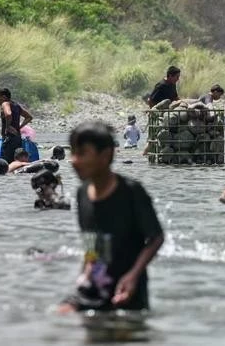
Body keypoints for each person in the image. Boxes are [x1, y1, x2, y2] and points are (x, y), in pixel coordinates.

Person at [59, 121, 164, 313]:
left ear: (106, 155)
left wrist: (133, 275)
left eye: (82, 153)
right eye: (72, 152)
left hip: (127, 293)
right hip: (93, 288)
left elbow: (156, 237)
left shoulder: (132, 192)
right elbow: (91, 241)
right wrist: (85, 274)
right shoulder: (82, 193)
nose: (74, 160)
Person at [0, 88, 33, 164]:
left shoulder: (5, 103)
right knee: (16, 162)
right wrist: (19, 127)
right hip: (17, 138)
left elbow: (8, 114)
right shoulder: (16, 105)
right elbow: (29, 117)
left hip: (9, 138)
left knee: (5, 163)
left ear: (3, 97)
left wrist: (8, 127)